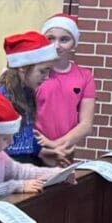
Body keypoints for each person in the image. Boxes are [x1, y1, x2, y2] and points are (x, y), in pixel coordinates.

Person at [0, 31, 59, 161]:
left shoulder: (26, 91)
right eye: (42, 71)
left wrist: (40, 151)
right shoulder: (0, 95)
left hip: (23, 161)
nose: (46, 77)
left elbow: (25, 134)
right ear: (22, 68)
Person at [35, 14, 99, 160]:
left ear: (74, 44)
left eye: (64, 40)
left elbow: (86, 124)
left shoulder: (85, 76)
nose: (56, 45)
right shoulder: (34, 73)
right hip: (34, 150)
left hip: (65, 150)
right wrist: (39, 146)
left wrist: (56, 144)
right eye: (50, 38)